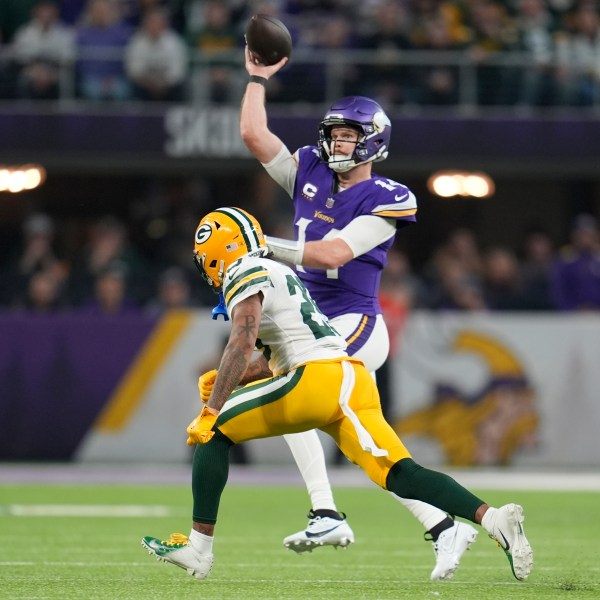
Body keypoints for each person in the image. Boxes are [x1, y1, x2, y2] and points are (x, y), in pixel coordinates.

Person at [141, 206, 534, 583]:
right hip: (350, 378)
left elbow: (241, 342)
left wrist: (213, 406)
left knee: (215, 430)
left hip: (315, 381)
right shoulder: (278, 271)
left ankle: (199, 548)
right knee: (400, 474)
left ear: (216, 250)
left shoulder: (244, 268)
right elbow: (273, 357)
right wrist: (234, 379)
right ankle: (493, 518)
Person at [238, 51, 477, 580]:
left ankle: (327, 511)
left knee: (299, 389)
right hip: (310, 322)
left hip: (356, 322)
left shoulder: (387, 196)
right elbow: (255, 135)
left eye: (350, 135)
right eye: (336, 134)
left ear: (372, 141)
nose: (339, 142)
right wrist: (257, 77)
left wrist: (260, 245)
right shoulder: (309, 173)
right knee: (353, 434)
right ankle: (439, 524)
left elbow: (332, 254)